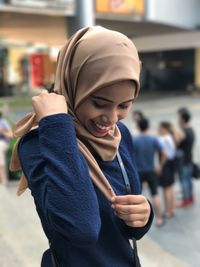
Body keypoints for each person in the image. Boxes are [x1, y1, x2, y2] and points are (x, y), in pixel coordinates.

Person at [10, 26, 153, 267]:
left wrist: (144, 215)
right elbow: (80, 229)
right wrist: (56, 125)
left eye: (124, 105)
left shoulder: (118, 135)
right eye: (99, 103)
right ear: (73, 84)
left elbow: (125, 228)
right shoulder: (39, 142)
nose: (111, 119)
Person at [132, 117, 166, 227]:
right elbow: (164, 153)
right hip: (151, 170)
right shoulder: (153, 139)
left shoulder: (135, 140)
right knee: (155, 194)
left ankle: (137, 221)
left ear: (139, 127)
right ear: (148, 126)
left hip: (138, 171)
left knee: (137, 196)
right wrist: (160, 166)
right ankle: (159, 218)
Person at [177, 107, 195, 207]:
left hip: (183, 160)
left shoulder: (182, 132)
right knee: (188, 180)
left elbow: (176, 144)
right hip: (189, 158)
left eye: (178, 117)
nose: (177, 119)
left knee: (184, 180)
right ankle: (190, 197)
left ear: (183, 119)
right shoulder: (190, 129)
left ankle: (186, 200)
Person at [158, 121, 176, 218]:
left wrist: (160, 166)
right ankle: (172, 209)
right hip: (171, 164)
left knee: (166, 189)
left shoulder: (163, 139)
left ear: (164, 129)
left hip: (165, 165)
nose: (159, 130)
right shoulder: (170, 137)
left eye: (160, 128)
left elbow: (164, 155)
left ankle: (168, 211)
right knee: (170, 187)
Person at [0, 111, 12, 184]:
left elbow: (10, 135)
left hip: (3, 142)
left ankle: (3, 179)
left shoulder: (3, 122)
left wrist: (2, 131)